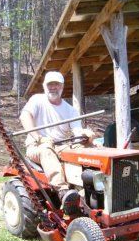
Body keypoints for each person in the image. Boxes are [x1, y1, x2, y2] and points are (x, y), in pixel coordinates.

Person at [19, 71, 94, 214]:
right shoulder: (37, 100)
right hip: (37, 146)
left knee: (92, 147)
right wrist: (37, 137)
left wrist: (86, 136)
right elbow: (25, 116)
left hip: (61, 145)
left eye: (56, 84)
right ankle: (63, 192)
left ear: (62, 87)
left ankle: (94, 186)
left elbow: (77, 131)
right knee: (47, 150)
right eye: (50, 84)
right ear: (44, 86)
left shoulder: (70, 110)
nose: (53, 87)